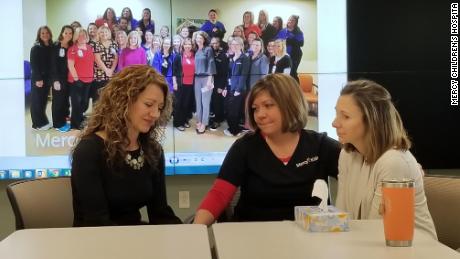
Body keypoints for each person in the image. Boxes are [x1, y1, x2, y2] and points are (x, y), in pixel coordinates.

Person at [194, 74, 341, 225]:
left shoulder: (320, 146)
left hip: (308, 240)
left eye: (268, 105)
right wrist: (195, 230)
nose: (260, 115)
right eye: (255, 109)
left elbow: (360, 174)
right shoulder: (245, 147)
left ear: (290, 104)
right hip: (252, 239)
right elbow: (219, 194)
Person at [71, 65, 182, 227]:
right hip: (95, 243)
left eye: (159, 108)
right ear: (124, 101)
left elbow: (160, 213)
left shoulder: (153, 151)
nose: (155, 114)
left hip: (133, 239)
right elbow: (97, 222)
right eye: (148, 104)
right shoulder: (89, 151)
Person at [333, 80, 437, 239]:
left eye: (345, 116)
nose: (334, 123)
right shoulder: (347, 155)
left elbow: (376, 231)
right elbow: (341, 220)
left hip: (414, 252)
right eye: (336, 114)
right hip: (368, 247)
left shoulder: (393, 162)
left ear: (372, 120)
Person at [67, 27, 95, 130]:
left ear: (86, 36)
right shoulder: (72, 49)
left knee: (84, 102)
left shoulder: (89, 48)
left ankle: (80, 118)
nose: (82, 37)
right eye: (79, 35)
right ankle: (75, 124)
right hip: (76, 81)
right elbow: (71, 65)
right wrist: (76, 79)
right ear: (76, 37)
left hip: (89, 80)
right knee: (76, 103)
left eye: (84, 34)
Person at [223, 36, 249, 137]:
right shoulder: (231, 57)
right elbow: (228, 75)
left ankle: (234, 131)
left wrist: (238, 89)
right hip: (230, 88)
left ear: (241, 46)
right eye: (232, 44)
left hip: (238, 89)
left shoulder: (244, 58)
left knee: (234, 111)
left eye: (236, 44)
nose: (234, 46)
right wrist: (225, 87)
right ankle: (232, 127)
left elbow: (244, 75)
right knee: (229, 109)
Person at [50, 25, 73, 133]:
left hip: (68, 78)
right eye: (66, 32)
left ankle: (63, 119)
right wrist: (55, 80)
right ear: (62, 33)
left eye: (70, 33)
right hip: (58, 78)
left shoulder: (71, 46)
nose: (68, 35)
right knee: (58, 101)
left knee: (64, 100)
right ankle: (57, 124)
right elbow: (52, 64)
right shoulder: (56, 45)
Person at [30, 25, 53, 130]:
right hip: (38, 78)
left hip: (47, 78)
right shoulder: (36, 48)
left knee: (43, 101)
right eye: (42, 33)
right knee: (37, 101)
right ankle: (37, 124)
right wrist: (38, 79)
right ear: (39, 35)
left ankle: (43, 121)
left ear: (50, 34)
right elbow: (34, 65)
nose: (45, 35)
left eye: (47, 33)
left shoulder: (51, 46)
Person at [193, 31, 216, 134]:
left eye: (201, 38)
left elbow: (211, 63)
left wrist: (210, 79)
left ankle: (204, 123)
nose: (199, 40)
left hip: (207, 78)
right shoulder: (196, 50)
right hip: (197, 79)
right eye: (197, 38)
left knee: (205, 102)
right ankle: (199, 120)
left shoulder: (208, 49)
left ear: (204, 39)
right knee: (198, 101)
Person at [172, 38, 195, 131]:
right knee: (179, 104)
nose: (187, 46)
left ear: (192, 46)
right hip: (180, 83)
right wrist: (174, 83)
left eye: (189, 44)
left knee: (187, 104)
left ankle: (185, 120)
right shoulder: (178, 56)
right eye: (186, 44)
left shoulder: (194, 56)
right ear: (183, 46)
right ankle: (177, 123)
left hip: (191, 84)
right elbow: (174, 71)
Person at [92, 25, 118, 104]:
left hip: (111, 74)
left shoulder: (114, 44)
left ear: (109, 33)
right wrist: (107, 71)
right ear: (99, 34)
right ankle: (97, 115)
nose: (104, 34)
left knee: (110, 97)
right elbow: (97, 59)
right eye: (101, 32)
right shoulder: (96, 44)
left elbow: (116, 58)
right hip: (99, 74)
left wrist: (111, 70)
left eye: (106, 32)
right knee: (98, 98)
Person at [276, 15, 304, 82]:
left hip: (295, 56)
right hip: (283, 55)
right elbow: (277, 42)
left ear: (296, 23)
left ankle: (296, 90)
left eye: (293, 20)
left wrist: (291, 39)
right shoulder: (282, 31)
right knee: (283, 73)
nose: (290, 21)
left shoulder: (298, 32)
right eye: (289, 19)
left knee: (292, 73)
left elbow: (301, 44)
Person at [209, 36, 228, 131]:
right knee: (213, 101)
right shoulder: (210, 53)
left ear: (219, 44)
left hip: (219, 82)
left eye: (216, 43)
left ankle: (218, 120)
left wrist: (222, 86)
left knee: (217, 102)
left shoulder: (223, 55)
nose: (214, 45)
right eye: (212, 43)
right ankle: (215, 116)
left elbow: (225, 73)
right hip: (210, 81)